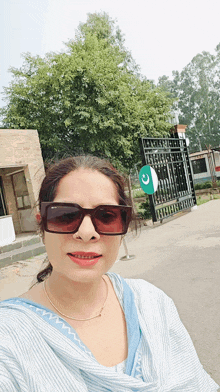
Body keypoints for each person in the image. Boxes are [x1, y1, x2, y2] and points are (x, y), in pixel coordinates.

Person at [0, 154, 219, 392]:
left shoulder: (153, 304)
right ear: (42, 224)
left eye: (106, 216)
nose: (86, 232)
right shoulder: (9, 337)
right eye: (65, 215)